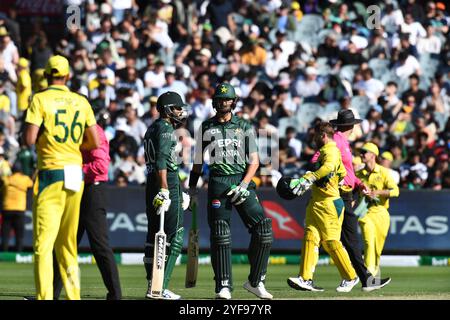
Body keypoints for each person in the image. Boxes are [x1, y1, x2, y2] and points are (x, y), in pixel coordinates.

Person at [23, 55, 100, 300]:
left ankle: (45, 298)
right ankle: (73, 296)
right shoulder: (81, 101)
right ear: (67, 76)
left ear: (46, 75)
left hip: (51, 173)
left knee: (43, 246)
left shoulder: (40, 99)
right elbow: (94, 142)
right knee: (68, 245)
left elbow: (29, 138)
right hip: (75, 175)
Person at [188, 82, 273, 300]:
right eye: (220, 99)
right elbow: (197, 163)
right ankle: (223, 286)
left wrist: (244, 185)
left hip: (241, 180)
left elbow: (254, 162)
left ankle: (256, 281)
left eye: (227, 99)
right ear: (214, 102)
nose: (223, 102)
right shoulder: (206, 127)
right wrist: (192, 190)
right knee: (220, 234)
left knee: (264, 229)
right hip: (218, 182)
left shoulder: (244, 126)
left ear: (233, 102)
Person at [53, 117, 122, 300]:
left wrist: (75, 170)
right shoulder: (76, 131)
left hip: (93, 190)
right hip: (79, 187)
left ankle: (115, 295)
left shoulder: (95, 131)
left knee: (99, 245)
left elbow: (101, 166)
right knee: (64, 243)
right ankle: (49, 294)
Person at [287, 121, 359, 292]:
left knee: (331, 242)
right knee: (310, 238)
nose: (313, 139)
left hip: (329, 204)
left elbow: (329, 167)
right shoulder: (323, 152)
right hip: (316, 202)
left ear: (323, 135)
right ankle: (305, 279)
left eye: (315, 136)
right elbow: (339, 172)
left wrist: (311, 177)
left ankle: (351, 277)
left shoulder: (332, 150)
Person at [326, 109, 392, 291]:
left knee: (344, 239)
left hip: (345, 193)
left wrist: (358, 183)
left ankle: (359, 279)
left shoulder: (343, 142)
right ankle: (354, 278)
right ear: (352, 126)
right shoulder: (337, 141)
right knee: (342, 238)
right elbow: (319, 158)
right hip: (339, 194)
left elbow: (348, 172)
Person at [143, 91, 189, 300]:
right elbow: (162, 161)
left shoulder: (151, 127)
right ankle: (160, 287)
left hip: (152, 181)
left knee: (153, 235)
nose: (180, 111)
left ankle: (153, 285)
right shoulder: (165, 129)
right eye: (177, 108)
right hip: (165, 181)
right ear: (168, 109)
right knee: (175, 234)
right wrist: (166, 189)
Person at [356, 142, 400, 276]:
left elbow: (395, 191)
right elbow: (351, 192)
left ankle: (373, 274)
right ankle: (368, 274)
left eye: (365, 152)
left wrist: (378, 193)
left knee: (377, 247)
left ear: (373, 155)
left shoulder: (384, 172)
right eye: (361, 152)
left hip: (381, 212)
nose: (361, 154)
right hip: (365, 212)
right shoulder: (358, 174)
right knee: (369, 241)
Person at [1, 162, 33, 252]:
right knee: (19, 234)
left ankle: (4, 254)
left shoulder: (7, 179)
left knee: (5, 234)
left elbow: (2, 187)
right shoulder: (25, 179)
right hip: (19, 209)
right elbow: (31, 184)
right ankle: (18, 253)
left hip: (7, 209)